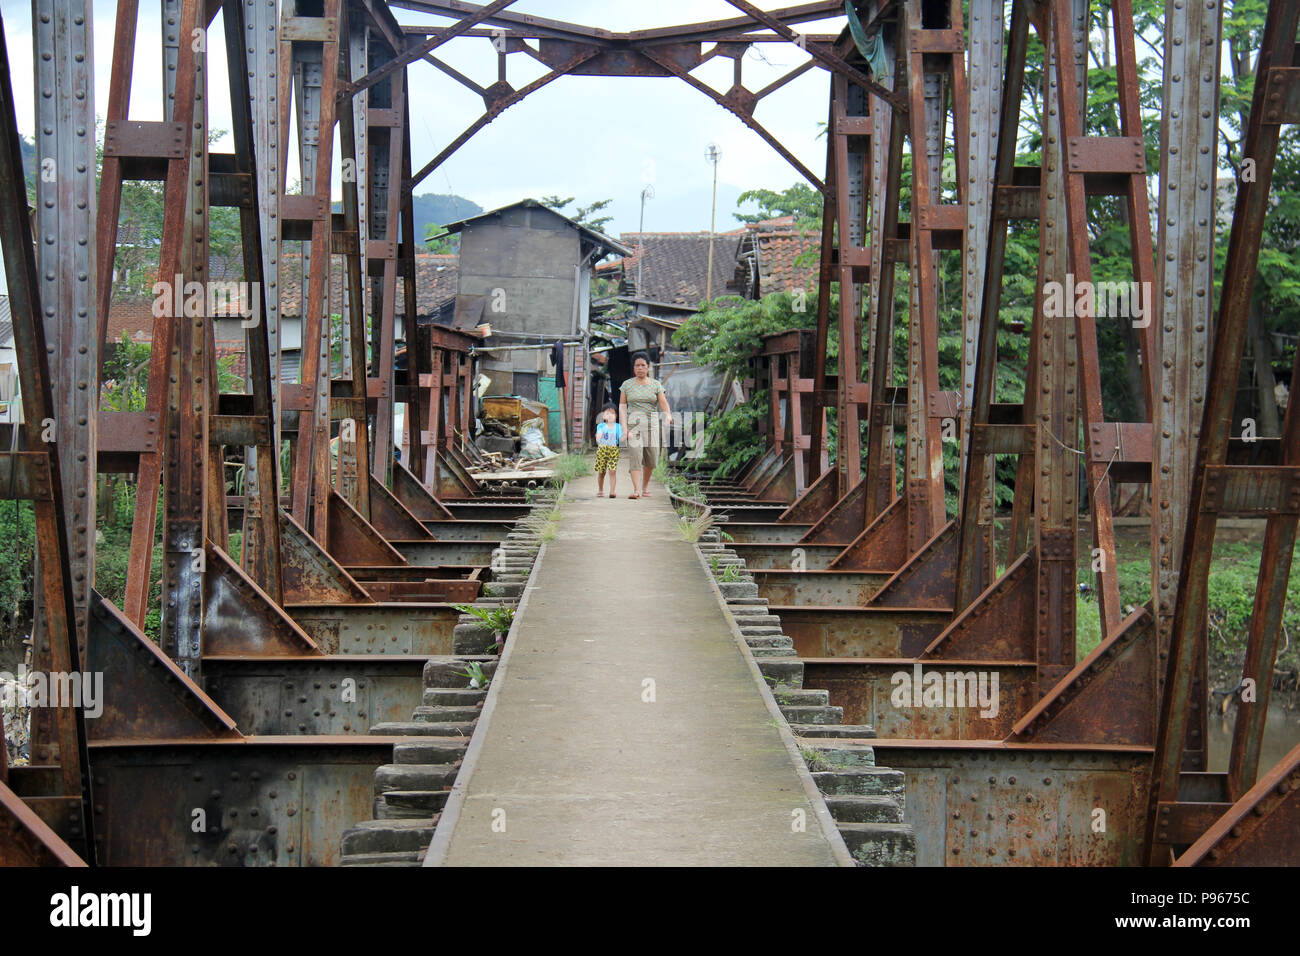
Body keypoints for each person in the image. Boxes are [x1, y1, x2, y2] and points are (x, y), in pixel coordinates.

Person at [618, 351, 671, 499]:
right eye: (637, 366)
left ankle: (645, 487)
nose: (640, 368)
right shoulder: (626, 385)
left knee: (651, 459)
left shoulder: (656, 385)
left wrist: (668, 414)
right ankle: (636, 490)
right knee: (635, 456)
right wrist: (624, 427)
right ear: (634, 368)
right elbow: (622, 407)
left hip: (651, 425)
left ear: (648, 367)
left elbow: (663, 403)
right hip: (633, 426)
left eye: (643, 365)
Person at [594, 403, 622, 498]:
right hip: (602, 450)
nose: (610, 416)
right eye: (607, 413)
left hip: (614, 450)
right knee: (602, 472)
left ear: (616, 416)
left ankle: (612, 491)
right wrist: (598, 437)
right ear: (603, 416)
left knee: (612, 471)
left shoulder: (618, 427)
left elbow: (621, 439)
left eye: (612, 413)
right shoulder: (601, 426)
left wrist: (627, 435)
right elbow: (598, 436)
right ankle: (600, 490)